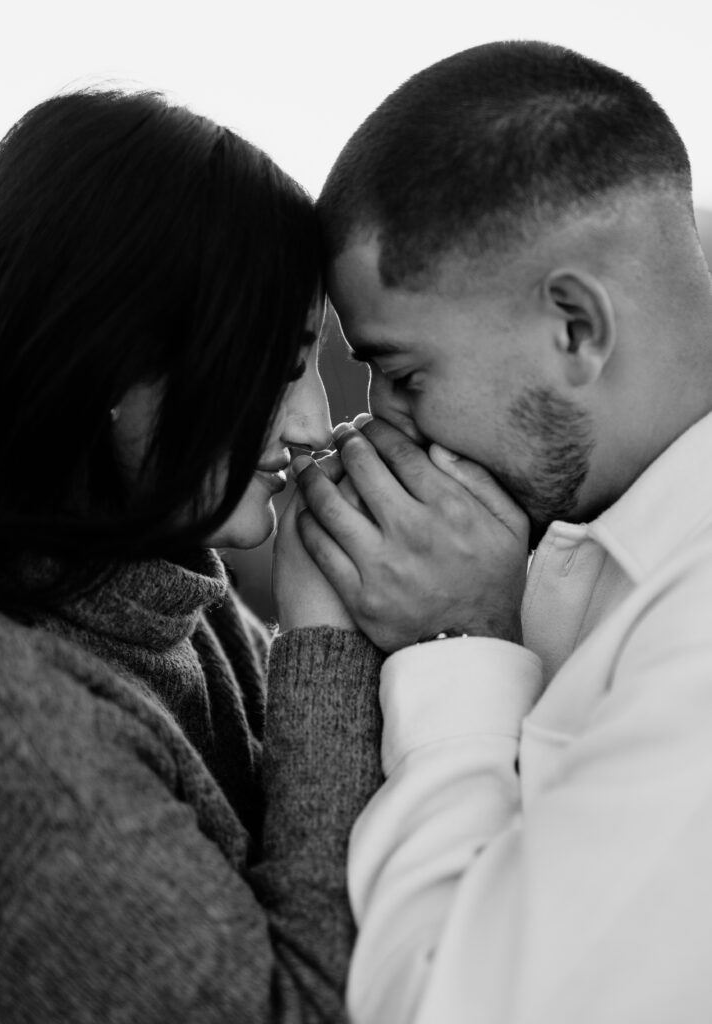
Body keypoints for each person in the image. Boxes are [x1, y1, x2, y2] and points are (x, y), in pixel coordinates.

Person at [281, 40, 712, 1022]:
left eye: (404, 373)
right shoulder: (585, 549)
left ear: (572, 327)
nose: (376, 422)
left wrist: (461, 649)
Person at [0, 88, 384, 1023]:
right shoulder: (8, 725)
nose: (312, 430)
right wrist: (323, 640)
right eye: (278, 369)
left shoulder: (163, 592)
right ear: (109, 361)